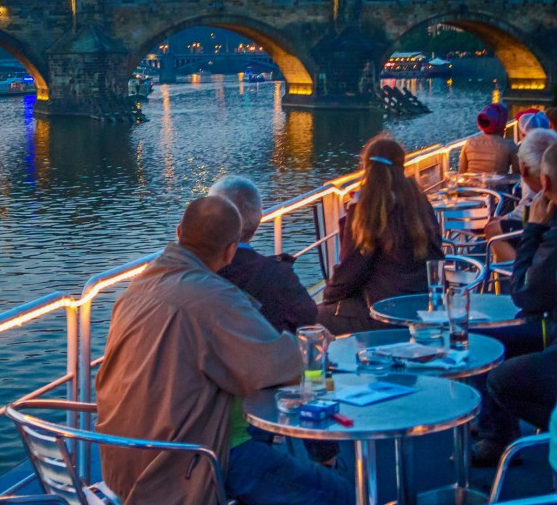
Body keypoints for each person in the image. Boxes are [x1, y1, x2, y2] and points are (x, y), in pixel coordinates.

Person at [95, 197, 352, 505]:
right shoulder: (213, 299)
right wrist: (316, 345)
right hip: (186, 462)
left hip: (122, 459)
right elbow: (280, 367)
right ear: (231, 251)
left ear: (179, 232)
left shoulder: (138, 288)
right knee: (338, 493)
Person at [475, 143, 557, 465]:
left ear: (546, 184)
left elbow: (524, 293)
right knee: (498, 337)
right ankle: (497, 435)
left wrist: (535, 229)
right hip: (547, 320)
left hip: (549, 326)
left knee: (499, 372)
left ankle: (503, 437)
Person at [318, 136, 444, 334]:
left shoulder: (367, 210)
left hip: (381, 314)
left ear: (366, 169)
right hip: (422, 308)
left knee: (303, 318)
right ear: (402, 167)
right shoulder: (420, 202)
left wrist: (329, 296)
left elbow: (350, 270)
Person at [210, 174, 318, 332]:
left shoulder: (188, 273)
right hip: (265, 354)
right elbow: (308, 316)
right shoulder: (278, 275)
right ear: (259, 219)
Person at [486, 129, 557, 262]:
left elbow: (530, 214)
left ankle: (514, 273)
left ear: (523, 168)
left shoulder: (542, 193)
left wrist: (531, 229)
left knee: (492, 229)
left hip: (537, 234)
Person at [459, 103, 518, 174]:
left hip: (471, 185)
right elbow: (518, 175)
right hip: (498, 185)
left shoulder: (469, 143)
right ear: (502, 123)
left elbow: (461, 173)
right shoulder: (509, 146)